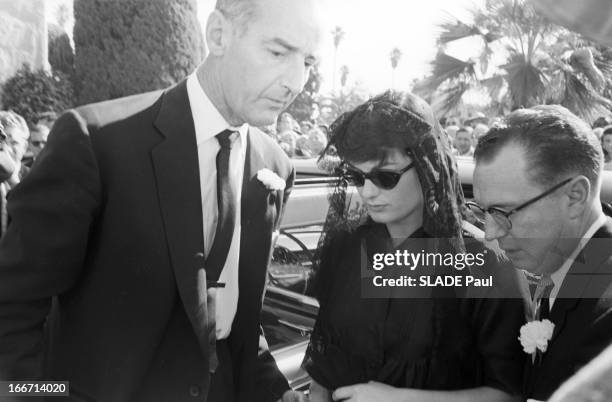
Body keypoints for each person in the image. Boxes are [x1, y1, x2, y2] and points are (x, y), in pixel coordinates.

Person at [0, 0, 324, 401]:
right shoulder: (96, 142)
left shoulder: (274, 165)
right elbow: (11, 310)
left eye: (308, 62)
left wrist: (276, 393)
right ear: (218, 35)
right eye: (278, 52)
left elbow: (232, 323)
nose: (296, 80)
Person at [302, 90, 524, 402]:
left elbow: (508, 392)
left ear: (427, 166)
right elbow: (324, 361)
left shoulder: (481, 262)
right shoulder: (347, 245)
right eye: (356, 176)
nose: (367, 192)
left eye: (385, 177)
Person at [470, 105, 612, 401]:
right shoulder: (564, 264)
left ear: (575, 197)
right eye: (483, 212)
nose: (491, 234)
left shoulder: (605, 314)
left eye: (504, 212)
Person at [0, 111, 30, 237]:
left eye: (14, 142)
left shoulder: (34, 177)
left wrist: (12, 178)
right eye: (2, 141)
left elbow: (35, 217)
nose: (6, 148)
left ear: (24, 147)